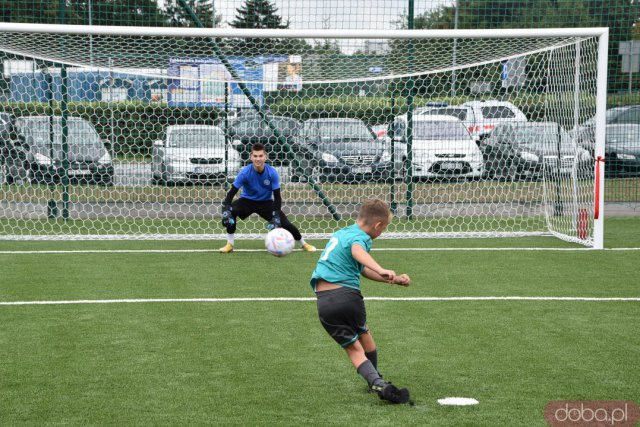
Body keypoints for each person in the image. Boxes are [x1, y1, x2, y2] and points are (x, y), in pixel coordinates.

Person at [310, 198, 411, 404]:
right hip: (348, 296)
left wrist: (391, 279)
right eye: (384, 229)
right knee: (363, 335)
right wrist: (382, 268)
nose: (382, 233)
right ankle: (376, 381)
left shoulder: (342, 233)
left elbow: (362, 269)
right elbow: (358, 252)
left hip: (325, 301)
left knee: (354, 346)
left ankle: (375, 382)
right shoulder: (361, 238)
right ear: (378, 225)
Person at [219, 142, 316, 253]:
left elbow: (277, 197)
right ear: (251, 157)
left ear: (265, 156)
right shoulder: (244, 172)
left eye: (260, 156)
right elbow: (231, 193)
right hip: (247, 201)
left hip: (266, 202)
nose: (258, 159)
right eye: (255, 156)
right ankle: (230, 244)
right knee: (231, 213)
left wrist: (276, 214)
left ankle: (304, 244)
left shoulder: (272, 173)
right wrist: (226, 210)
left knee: (286, 224)